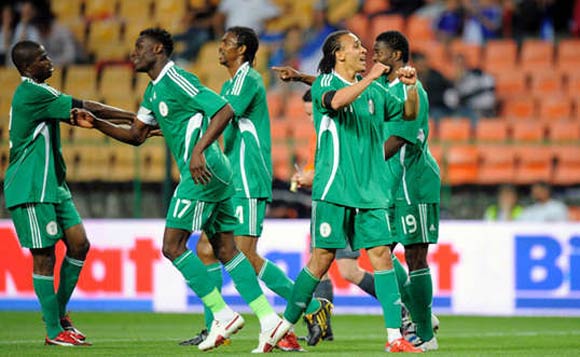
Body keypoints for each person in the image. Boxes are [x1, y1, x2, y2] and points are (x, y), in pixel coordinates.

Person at [72, 28, 289, 353]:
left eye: (140, 47)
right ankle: (270, 319)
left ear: (158, 49)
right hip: (213, 172)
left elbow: (221, 109)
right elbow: (137, 134)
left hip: (203, 171)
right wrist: (97, 123)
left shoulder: (178, 78)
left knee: (172, 246)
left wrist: (199, 150)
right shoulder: (153, 91)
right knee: (226, 250)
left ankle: (222, 314)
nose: (134, 53)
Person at [271, 30, 422, 353]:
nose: (365, 50)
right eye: (356, 46)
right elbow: (337, 101)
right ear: (339, 55)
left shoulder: (375, 90)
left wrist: (410, 90)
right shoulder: (325, 83)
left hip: (370, 191)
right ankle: (282, 329)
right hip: (334, 189)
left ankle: (395, 337)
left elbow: (407, 114)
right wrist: (371, 77)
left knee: (381, 257)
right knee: (321, 260)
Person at [181, 26, 318, 351]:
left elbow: (223, 116)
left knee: (243, 255)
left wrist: (187, 130)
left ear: (242, 49)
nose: (220, 46)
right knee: (206, 250)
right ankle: (214, 324)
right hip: (229, 181)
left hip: (246, 178)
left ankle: (307, 311)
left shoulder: (247, 80)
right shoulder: (230, 84)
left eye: (227, 42)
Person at [4, 40, 136, 346]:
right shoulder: (34, 92)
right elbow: (88, 106)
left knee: (79, 244)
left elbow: (82, 116)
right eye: (42, 58)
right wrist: (134, 119)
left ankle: (60, 315)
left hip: (54, 186)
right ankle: (54, 331)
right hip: (31, 187)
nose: (50, 61)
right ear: (27, 68)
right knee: (44, 257)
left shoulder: (41, 95)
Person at [290, 88, 388, 344]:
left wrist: (313, 178)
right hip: (330, 201)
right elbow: (317, 169)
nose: (311, 118)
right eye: (306, 114)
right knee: (340, 269)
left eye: (312, 113)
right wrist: (305, 177)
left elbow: (338, 167)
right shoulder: (319, 134)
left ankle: (402, 309)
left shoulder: (338, 127)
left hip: (339, 203)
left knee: (331, 267)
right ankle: (325, 328)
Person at [373, 30, 441, 351]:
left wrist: (361, 163)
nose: (374, 57)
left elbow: (400, 138)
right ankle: (418, 312)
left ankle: (425, 334)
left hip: (413, 184)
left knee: (415, 257)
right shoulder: (384, 89)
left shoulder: (410, 90)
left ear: (397, 55)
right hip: (388, 187)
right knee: (378, 253)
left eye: (379, 52)